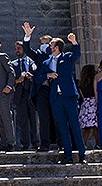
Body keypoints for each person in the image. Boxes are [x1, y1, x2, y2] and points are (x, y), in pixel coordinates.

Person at [23, 23, 86, 165]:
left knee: (74, 125)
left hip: (69, 96)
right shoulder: (46, 62)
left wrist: (74, 42)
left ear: (56, 47)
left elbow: (77, 54)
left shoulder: (67, 57)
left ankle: (82, 155)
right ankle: (67, 156)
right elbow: (38, 78)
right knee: (62, 127)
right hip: (55, 98)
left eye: (50, 44)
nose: (48, 46)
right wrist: (47, 75)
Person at [11, 42, 37, 151]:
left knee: (34, 119)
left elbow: (38, 76)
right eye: (16, 48)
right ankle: (25, 144)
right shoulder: (13, 64)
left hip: (31, 94)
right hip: (20, 95)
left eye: (19, 48)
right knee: (22, 121)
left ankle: (35, 143)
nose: (17, 50)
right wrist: (17, 81)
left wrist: (31, 77)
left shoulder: (33, 62)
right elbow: (10, 79)